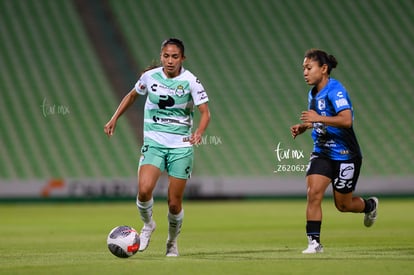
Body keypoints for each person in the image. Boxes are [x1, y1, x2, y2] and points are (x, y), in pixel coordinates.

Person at [104, 38, 210, 257]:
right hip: (154, 142)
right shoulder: (149, 77)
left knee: (173, 203)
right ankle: (148, 225)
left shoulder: (191, 81)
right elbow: (132, 95)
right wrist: (114, 118)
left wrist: (198, 132)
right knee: (143, 190)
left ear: (182, 58)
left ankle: (171, 242)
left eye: (174, 56)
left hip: (180, 146)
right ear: (161, 56)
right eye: (166, 56)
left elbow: (205, 112)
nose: (169, 61)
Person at [290, 48, 378, 254]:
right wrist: (306, 126)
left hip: (346, 154)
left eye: (309, 68)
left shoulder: (336, 90)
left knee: (343, 205)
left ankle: (369, 206)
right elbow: (321, 119)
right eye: (303, 68)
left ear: (324, 69)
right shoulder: (312, 93)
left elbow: (346, 121)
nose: (305, 72)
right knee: (313, 194)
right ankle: (314, 243)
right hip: (322, 152)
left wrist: (317, 119)